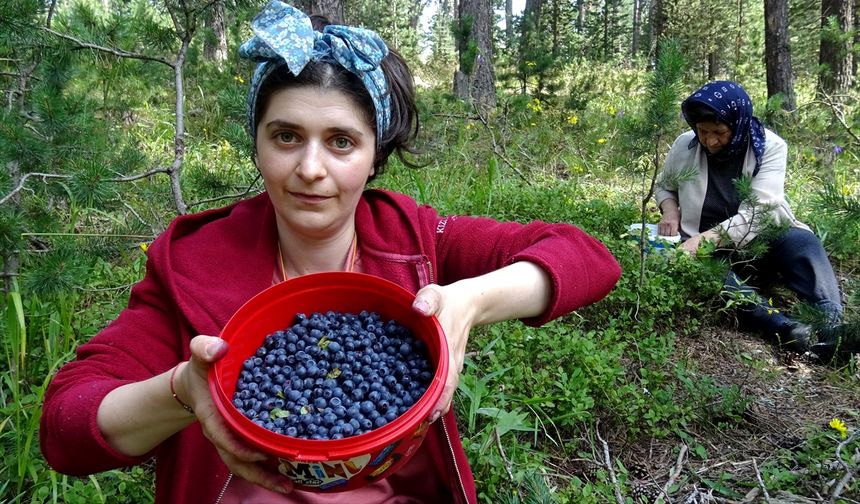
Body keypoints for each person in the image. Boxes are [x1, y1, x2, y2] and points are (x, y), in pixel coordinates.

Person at [39, 2, 622, 502]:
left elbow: (588, 258)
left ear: (375, 155)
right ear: (258, 142)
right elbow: (65, 428)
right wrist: (183, 392)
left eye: (341, 142)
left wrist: (471, 299)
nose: (310, 169)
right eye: (286, 136)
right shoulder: (195, 262)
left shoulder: (413, 241)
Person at [655, 80, 844, 358]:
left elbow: (759, 212)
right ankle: (783, 327)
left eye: (720, 132)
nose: (710, 140)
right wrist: (670, 210)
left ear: (738, 123)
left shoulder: (770, 147)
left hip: (760, 241)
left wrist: (700, 242)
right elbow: (664, 185)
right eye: (703, 131)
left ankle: (833, 330)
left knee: (803, 242)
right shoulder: (685, 145)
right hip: (712, 252)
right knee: (710, 273)